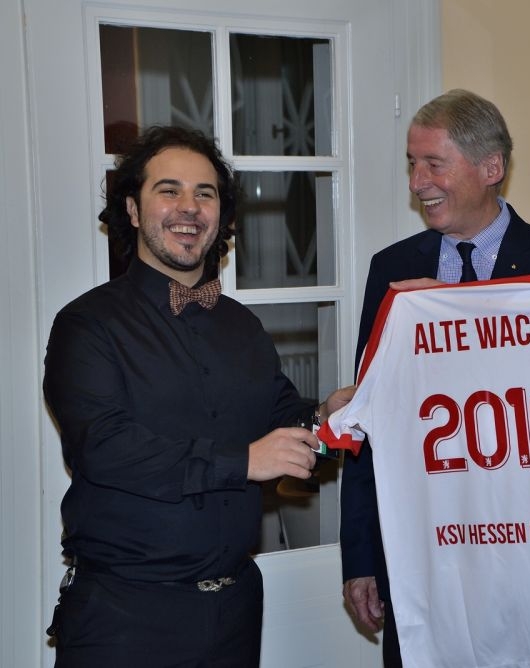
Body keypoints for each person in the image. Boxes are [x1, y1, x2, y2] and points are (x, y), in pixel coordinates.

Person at [43, 125, 351, 667]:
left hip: (236, 610)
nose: (189, 207)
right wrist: (243, 461)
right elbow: (104, 448)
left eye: (205, 194)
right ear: (132, 210)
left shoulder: (243, 327)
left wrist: (328, 415)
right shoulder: (86, 325)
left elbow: (283, 418)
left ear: (221, 216)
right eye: (169, 190)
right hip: (125, 617)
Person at [339, 88, 530, 666]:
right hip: (421, 554)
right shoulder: (392, 269)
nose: (417, 181)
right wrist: (360, 557)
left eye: (434, 163)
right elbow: (371, 417)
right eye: (412, 163)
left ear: (491, 168)